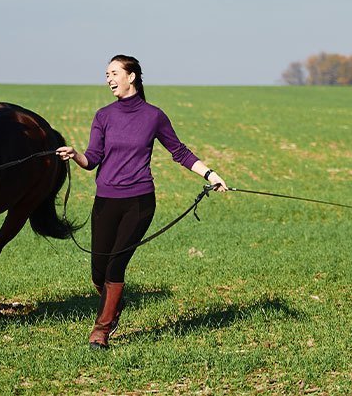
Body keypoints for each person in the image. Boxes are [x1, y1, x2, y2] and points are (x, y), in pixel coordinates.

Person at [56, 55, 227, 350]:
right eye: (106, 74)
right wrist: (75, 155)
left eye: (114, 73)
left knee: (115, 267)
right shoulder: (103, 116)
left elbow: (180, 152)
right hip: (106, 200)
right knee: (98, 270)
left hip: (139, 202)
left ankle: (102, 329)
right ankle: (114, 304)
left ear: (131, 76)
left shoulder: (154, 116)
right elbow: (92, 158)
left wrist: (211, 174)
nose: (109, 79)